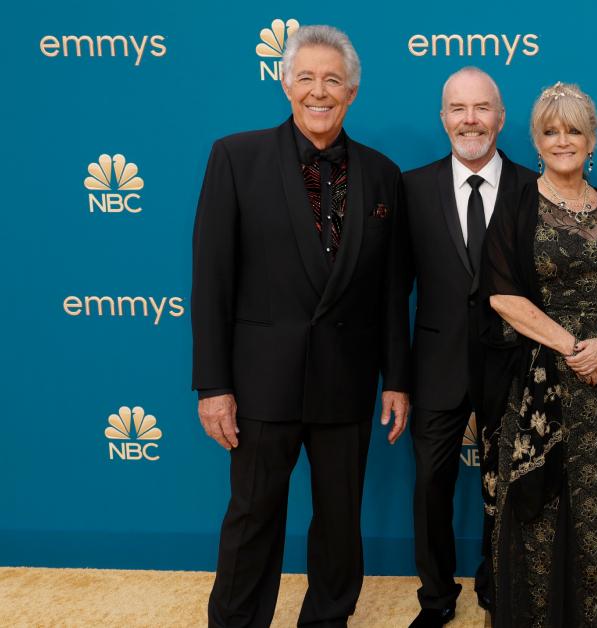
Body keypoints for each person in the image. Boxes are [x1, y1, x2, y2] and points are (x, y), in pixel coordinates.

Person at [191, 25, 411, 627]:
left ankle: (327, 620)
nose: (320, 91)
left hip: (347, 381)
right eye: (307, 77)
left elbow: (393, 291)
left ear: (353, 92)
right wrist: (213, 385)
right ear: (285, 82)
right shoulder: (235, 157)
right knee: (253, 518)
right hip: (261, 383)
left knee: (340, 522)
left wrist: (397, 378)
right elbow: (211, 280)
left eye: (333, 80)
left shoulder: (383, 174)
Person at [483, 82, 597, 627]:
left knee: (595, 517)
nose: (562, 140)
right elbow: (502, 294)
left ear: (591, 137)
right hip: (539, 385)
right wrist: (574, 347)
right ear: (536, 139)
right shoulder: (517, 203)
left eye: (573, 129)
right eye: (551, 131)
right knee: (540, 517)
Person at [401, 66, 537, 627]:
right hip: (436, 364)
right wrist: (397, 378)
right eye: (458, 109)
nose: (470, 119)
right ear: (443, 118)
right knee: (431, 484)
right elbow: (393, 292)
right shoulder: (410, 188)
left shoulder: (536, 187)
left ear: (501, 118)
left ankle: (496, 582)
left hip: (515, 361)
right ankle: (435, 598)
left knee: (509, 481)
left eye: (482, 108)